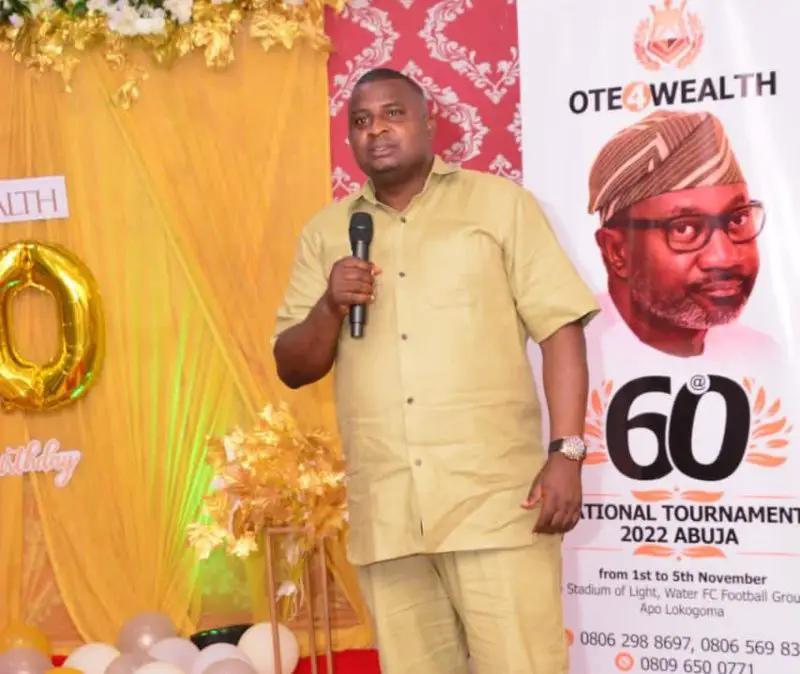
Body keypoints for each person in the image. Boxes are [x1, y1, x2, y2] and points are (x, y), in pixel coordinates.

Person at [272, 67, 598, 674]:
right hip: (389, 517)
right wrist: (329, 305)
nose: (376, 130)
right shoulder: (326, 233)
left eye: (392, 113)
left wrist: (567, 453)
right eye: (361, 121)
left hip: (498, 506)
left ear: (429, 123)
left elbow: (561, 330)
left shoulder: (499, 205)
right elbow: (292, 365)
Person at [588, 109, 772, 359]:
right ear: (617, 252)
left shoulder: (764, 356)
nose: (724, 257)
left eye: (737, 219)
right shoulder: (577, 350)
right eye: (683, 228)